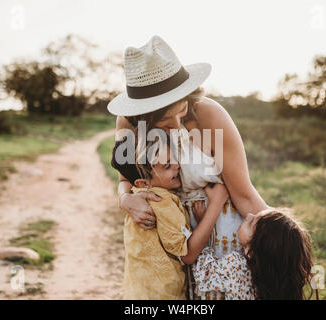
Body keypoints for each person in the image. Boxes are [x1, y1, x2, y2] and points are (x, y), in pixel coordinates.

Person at [108, 35, 270, 299]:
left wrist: (283, 236)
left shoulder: (210, 115)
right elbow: (125, 179)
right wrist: (126, 199)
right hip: (165, 241)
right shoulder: (127, 124)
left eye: (181, 110)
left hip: (221, 238)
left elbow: (244, 193)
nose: (175, 125)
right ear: (142, 115)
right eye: (163, 120)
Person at [111, 135, 229, 299]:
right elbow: (188, 255)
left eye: (174, 158)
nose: (177, 165)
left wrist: (199, 221)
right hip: (163, 295)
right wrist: (216, 204)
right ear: (143, 183)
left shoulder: (138, 197)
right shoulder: (161, 203)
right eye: (167, 166)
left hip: (138, 291)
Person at [192, 208, 315, 300]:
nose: (249, 215)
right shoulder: (279, 286)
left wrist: (203, 223)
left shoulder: (237, 267)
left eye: (251, 223)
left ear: (252, 251)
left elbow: (203, 270)